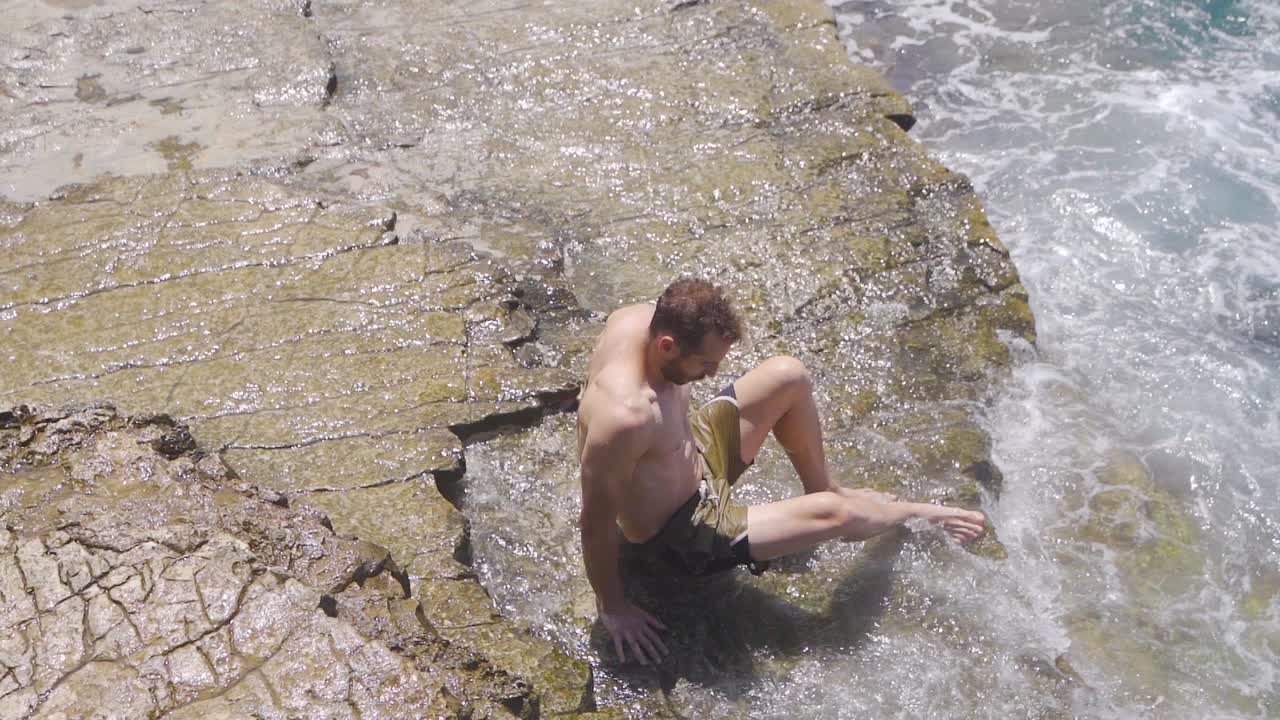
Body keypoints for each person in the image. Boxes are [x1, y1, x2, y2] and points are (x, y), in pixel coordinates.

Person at [576, 278, 989, 666]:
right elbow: (595, 523)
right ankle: (912, 513)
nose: (713, 374)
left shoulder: (639, 318)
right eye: (705, 364)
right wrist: (614, 606)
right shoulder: (627, 417)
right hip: (684, 532)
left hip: (692, 453)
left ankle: (823, 486)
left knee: (788, 375)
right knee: (837, 514)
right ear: (667, 346)